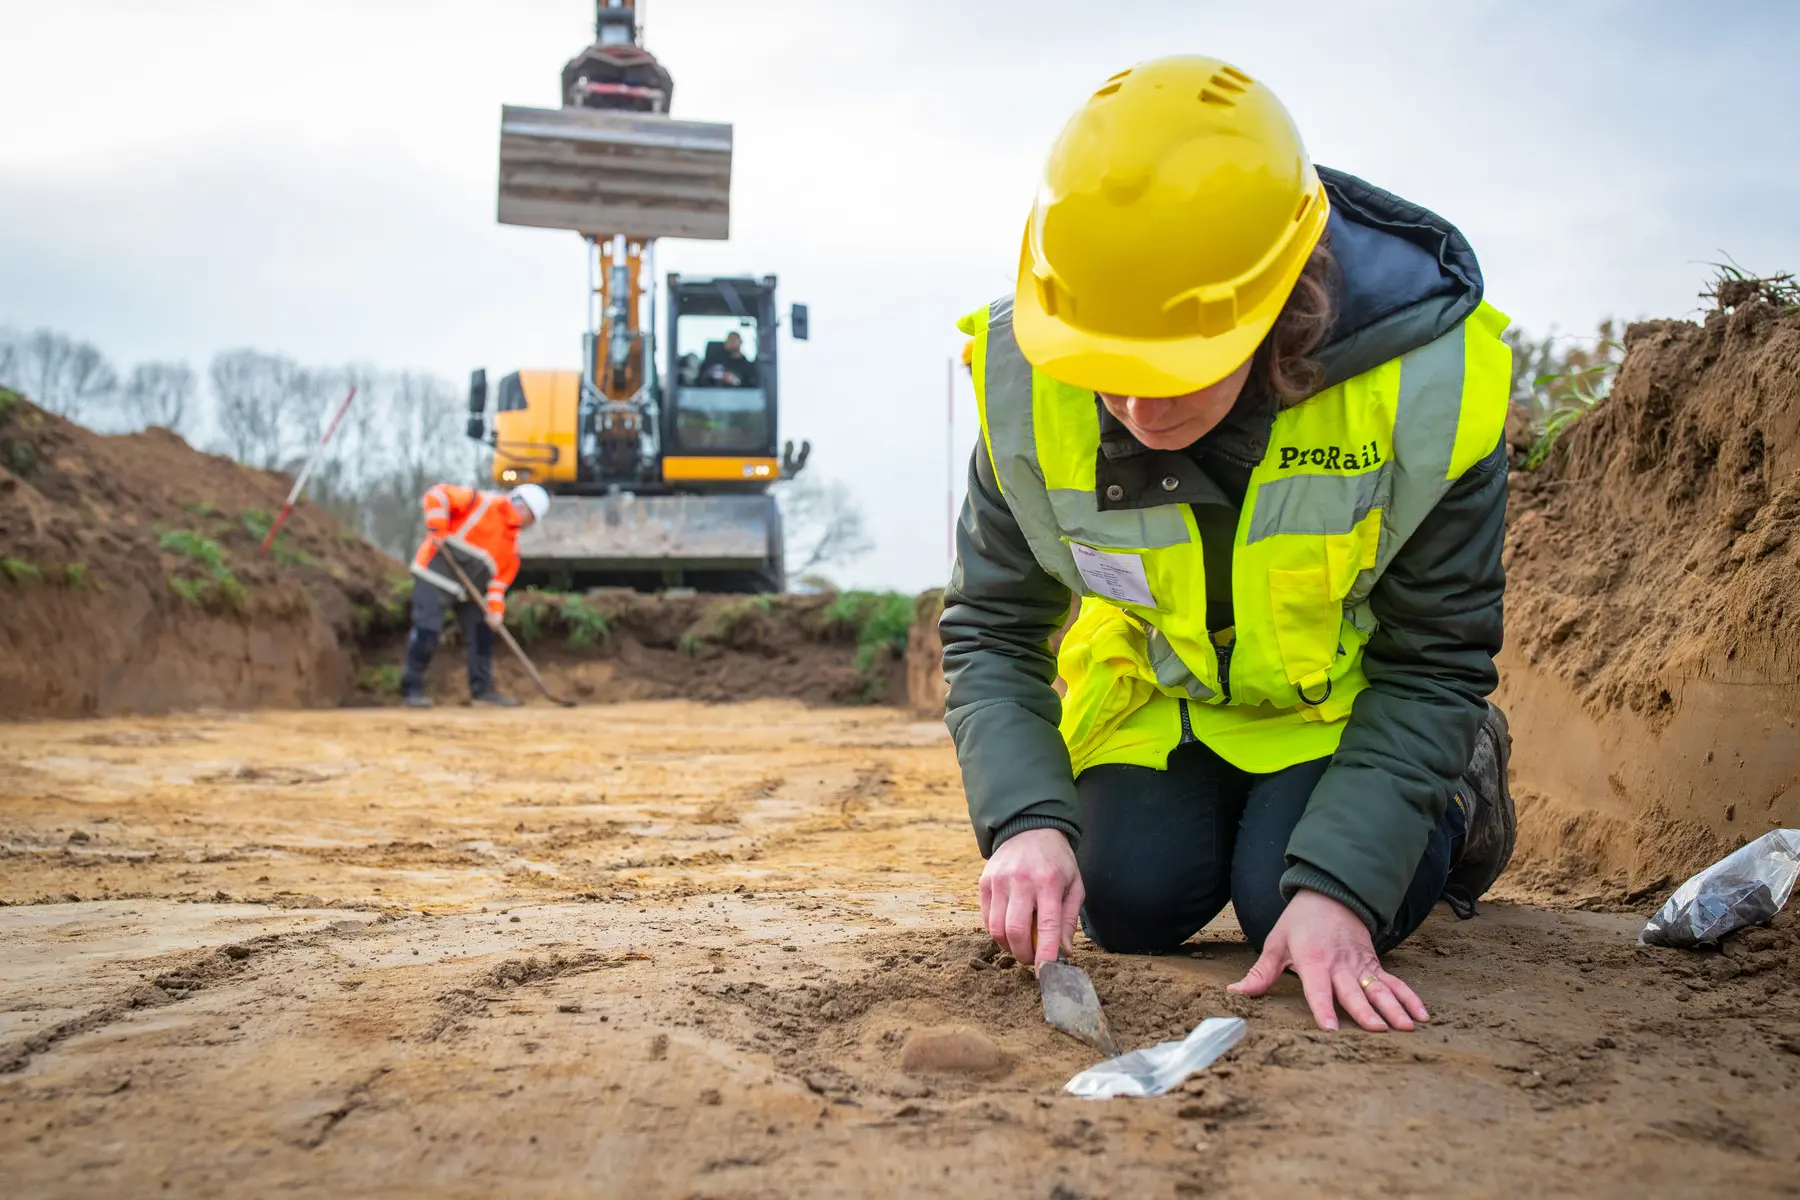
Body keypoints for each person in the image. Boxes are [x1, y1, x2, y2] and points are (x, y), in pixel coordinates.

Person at [941, 55, 1517, 1035]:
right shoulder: (1024, 384)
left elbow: (1432, 661)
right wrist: (1028, 822)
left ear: (1280, 304)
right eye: (1103, 368)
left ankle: (1464, 791)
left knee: (1287, 907)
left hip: (1337, 710)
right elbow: (993, 628)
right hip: (1169, 701)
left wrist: (1340, 887)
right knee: (1127, 901)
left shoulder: (1428, 390)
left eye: (1174, 366)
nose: (1131, 406)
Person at [402, 482, 550, 708]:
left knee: (482, 634)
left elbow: (497, 586)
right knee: (428, 630)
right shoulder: (481, 502)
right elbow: (437, 495)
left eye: (532, 520)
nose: (529, 523)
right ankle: (412, 690)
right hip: (434, 575)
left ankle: (482, 692)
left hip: (468, 592)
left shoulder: (512, 550)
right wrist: (437, 526)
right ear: (520, 505)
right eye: (530, 516)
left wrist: (495, 612)